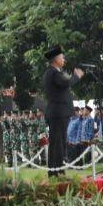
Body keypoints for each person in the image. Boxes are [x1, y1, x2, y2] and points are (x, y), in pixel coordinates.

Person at [42, 47, 83, 177]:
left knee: (56, 144)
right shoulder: (54, 73)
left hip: (56, 113)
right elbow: (65, 83)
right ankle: (58, 173)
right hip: (58, 113)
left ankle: (55, 172)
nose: (64, 60)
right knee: (58, 144)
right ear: (57, 60)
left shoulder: (51, 72)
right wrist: (76, 76)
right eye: (62, 57)